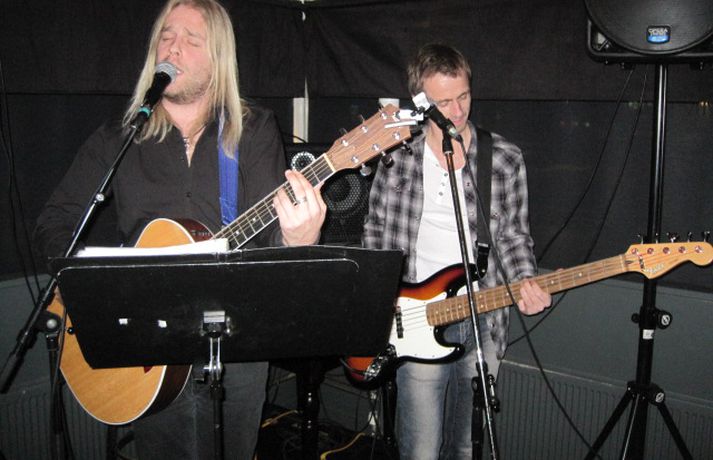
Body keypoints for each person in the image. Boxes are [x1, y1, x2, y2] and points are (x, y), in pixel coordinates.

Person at [33, 0, 326, 458]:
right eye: (166, 37)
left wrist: (298, 237)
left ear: (218, 58)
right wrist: (87, 289)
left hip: (236, 345)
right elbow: (55, 220)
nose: (174, 48)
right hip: (147, 345)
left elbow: (271, 244)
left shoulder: (253, 131)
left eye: (192, 40)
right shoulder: (119, 136)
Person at [362, 43, 552, 459]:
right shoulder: (396, 158)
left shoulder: (503, 158)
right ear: (421, 102)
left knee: (466, 447)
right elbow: (375, 232)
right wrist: (380, 301)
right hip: (417, 314)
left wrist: (525, 280)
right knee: (422, 448)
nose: (458, 110)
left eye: (463, 96)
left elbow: (514, 236)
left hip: (482, 314)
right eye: (444, 102)